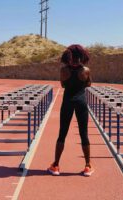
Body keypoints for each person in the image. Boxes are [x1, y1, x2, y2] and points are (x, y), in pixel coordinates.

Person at [47, 44, 94, 177]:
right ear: (82, 56)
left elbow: (62, 84)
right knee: (83, 133)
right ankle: (87, 166)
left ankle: (55, 166)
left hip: (67, 102)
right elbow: (89, 84)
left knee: (62, 133)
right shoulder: (86, 70)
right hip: (81, 102)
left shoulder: (63, 70)